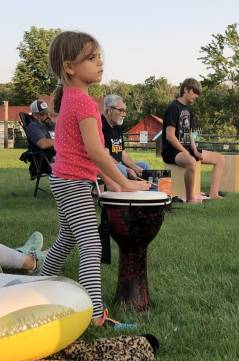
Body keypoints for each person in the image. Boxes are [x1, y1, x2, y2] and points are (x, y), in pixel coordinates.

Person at [41, 30, 149, 328]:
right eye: (91, 58)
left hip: (64, 180)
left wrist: (109, 180)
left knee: (66, 239)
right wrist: (125, 183)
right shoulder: (84, 103)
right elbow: (98, 152)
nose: (100, 62)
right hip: (73, 184)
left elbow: (84, 153)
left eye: (99, 56)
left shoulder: (73, 100)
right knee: (90, 245)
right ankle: (95, 315)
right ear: (69, 67)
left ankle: (38, 284)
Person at [161, 78, 225, 203]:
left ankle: (214, 193)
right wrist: (185, 152)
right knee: (190, 161)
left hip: (187, 149)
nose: (196, 96)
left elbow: (190, 133)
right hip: (171, 151)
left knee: (220, 158)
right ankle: (190, 198)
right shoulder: (173, 108)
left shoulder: (189, 109)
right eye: (194, 92)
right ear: (186, 90)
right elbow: (170, 136)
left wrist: (195, 151)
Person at [102, 94, 149, 179]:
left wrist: (136, 168)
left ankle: (143, 189)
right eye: (121, 110)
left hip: (119, 164)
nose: (124, 115)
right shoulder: (101, 126)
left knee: (144, 166)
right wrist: (127, 169)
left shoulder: (117, 126)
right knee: (123, 171)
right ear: (109, 111)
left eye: (124, 111)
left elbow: (123, 155)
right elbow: (105, 158)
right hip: (107, 166)